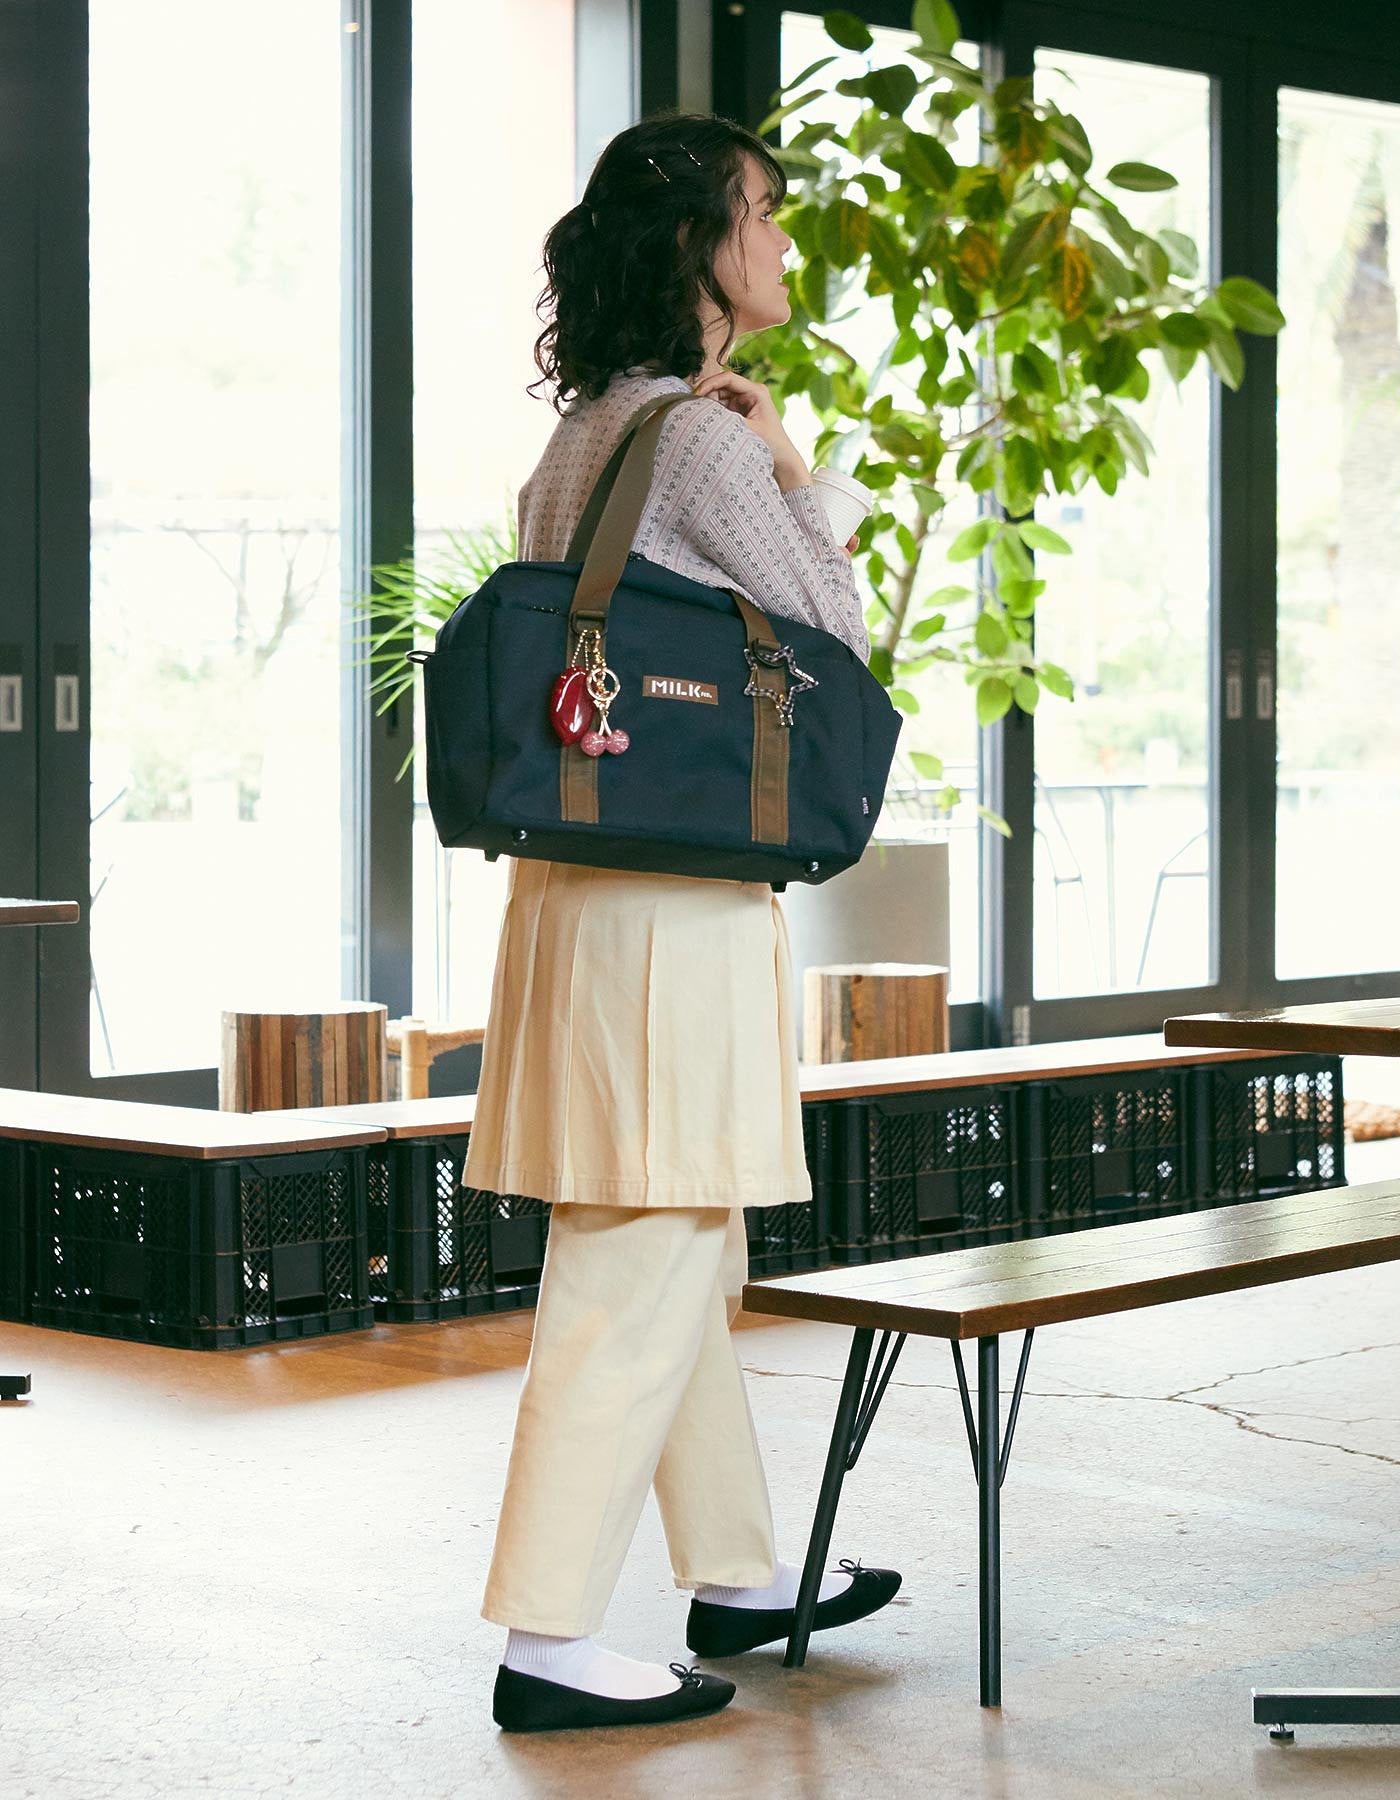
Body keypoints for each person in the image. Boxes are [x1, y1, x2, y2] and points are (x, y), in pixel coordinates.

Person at [467, 111, 901, 1736]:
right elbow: (838, 634)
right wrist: (790, 456)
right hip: (673, 913)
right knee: (642, 1255)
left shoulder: (582, 432)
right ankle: (548, 1636)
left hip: (579, 897)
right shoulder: (706, 440)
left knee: (678, 1235)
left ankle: (737, 1572)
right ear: (704, 248)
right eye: (766, 216)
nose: (783, 245)